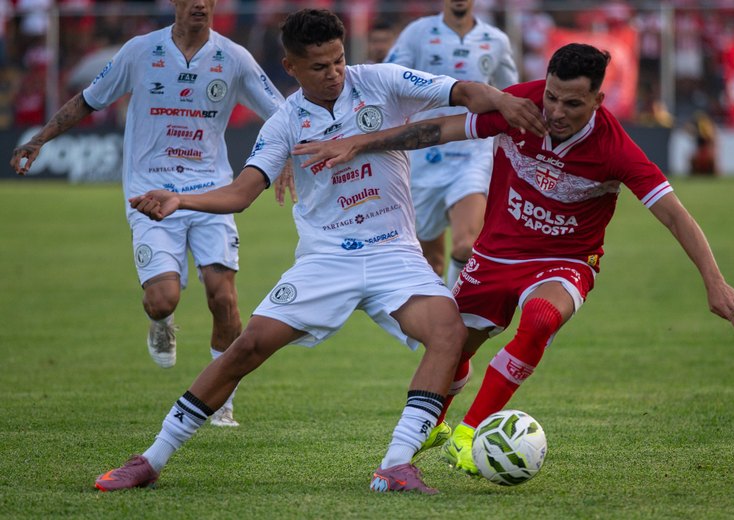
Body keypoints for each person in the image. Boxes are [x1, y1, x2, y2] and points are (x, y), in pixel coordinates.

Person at [94, 8, 547, 495]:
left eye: (338, 61)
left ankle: (395, 465)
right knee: (246, 348)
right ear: (290, 67)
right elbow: (242, 193)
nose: (334, 74)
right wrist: (181, 199)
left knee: (448, 332)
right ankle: (152, 457)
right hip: (327, 259)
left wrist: (503, 100)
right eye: (319, 67)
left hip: (394, 253)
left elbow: (462, 93)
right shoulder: (286, 122)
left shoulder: (382, 81)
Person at [292, 43, 734, 475]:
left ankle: (469, 433)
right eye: (552, 97)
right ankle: (436, 423)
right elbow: (440, 129)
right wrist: (359, 142)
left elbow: (675, 216)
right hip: (495, 254)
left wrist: (714, 282)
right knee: (451, 346)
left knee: (538, 319)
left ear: (598, 101)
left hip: (566, 259)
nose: (555, 111)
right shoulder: (522, 106)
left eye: (572, 104)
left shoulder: (615, 149)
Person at [9, 0, 285, 427]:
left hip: (210, 194)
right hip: (149, 193)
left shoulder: (234, 57)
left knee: (223, 296)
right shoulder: (139, 51)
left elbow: (284, 115)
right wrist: (39, 139)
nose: (199, 4)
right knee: (162, 300)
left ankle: (222, 399)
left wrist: (284, 162)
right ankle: (162, 321)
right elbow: (88, 99)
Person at [385, 0, 518, 287]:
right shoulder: (417, 33)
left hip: (472, 155)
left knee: (465, 246)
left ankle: (457, 313)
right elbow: (389, 80)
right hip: (422, 157)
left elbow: (510, 95)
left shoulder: (496, 40)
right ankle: (436, 321)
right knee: (429, 264)